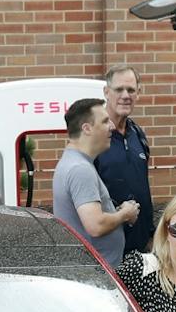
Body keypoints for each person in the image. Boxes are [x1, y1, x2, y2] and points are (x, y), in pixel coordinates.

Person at [51, 97, 139, 263]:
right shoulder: (80, 169)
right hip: (96, 276)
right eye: (105, 121)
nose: (112, 127)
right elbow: (96, 226)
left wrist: (116, 211)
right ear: (87, 128)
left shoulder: (73, 162)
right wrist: (125, 214)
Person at [92, 65, 154, 255]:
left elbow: (142, 187)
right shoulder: (93, 137)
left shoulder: (137, 134)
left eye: (131, 90)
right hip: (108, 250)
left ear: (138, 93)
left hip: (142, 246)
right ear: (106, 92)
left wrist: (150, 236)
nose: (125, 95)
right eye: (119, 89)